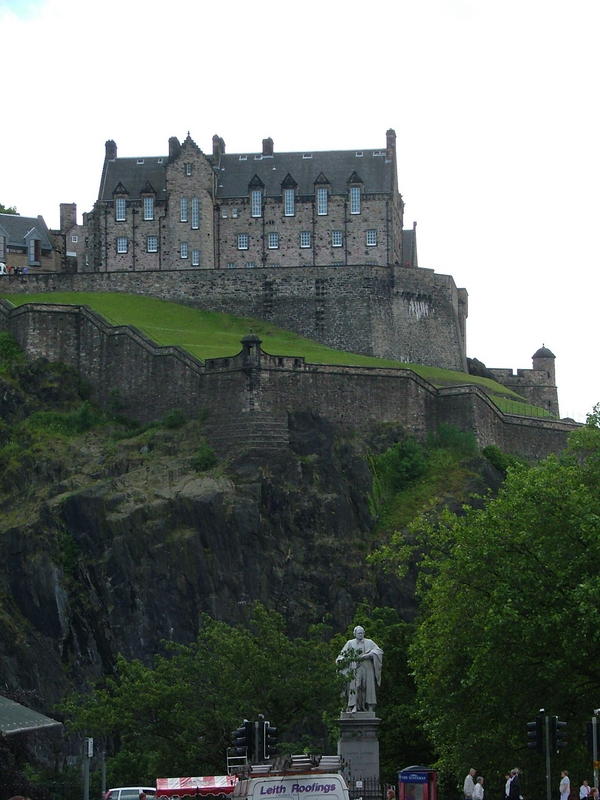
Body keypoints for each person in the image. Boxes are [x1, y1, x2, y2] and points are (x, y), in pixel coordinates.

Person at [336, 625, 383, 712]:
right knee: (356, 686)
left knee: (367, 687)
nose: (361, 635)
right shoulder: (350, 643)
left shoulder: (369, 642)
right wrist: (345, 660)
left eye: (362, 633)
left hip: (367, 667)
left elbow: (379, 651)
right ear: (355, 634)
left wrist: (368, 655)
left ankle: (369, 707)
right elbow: (341, 656)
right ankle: (354, 705)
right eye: (359, 633)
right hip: (355, 667)